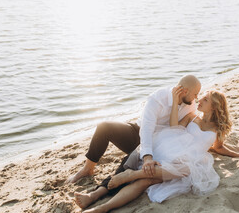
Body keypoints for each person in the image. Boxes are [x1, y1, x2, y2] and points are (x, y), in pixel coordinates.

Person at [75, 88, 239, 213]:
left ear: (215, 107)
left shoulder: (219, 130)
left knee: (170, 173)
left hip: (190, 160)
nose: (200, 100)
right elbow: (174, 126)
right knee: (152, 176)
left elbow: (218, 148)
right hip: (171, 148)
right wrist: (176, 100)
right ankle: (103, 199)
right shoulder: (192, 116)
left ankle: (109, 201)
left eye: (205, 99)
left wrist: (238, 154)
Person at [67, 75, 201, 184]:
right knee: (104, 127)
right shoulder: (158, 98)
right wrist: (147, 157)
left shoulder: (190, 104)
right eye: (195, 94)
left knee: (125, 167)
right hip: (139, 134)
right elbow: (146, 129)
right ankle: (87, 169)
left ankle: (105, 188)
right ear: (185, 91)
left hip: (161, 145)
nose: (196, 98)